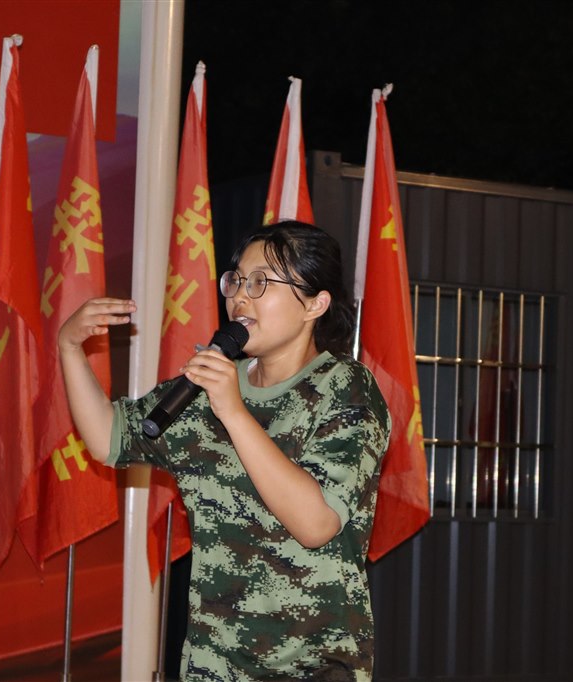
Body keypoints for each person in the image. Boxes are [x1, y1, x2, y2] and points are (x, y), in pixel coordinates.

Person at [58, 221, 391, 680]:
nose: (240, 297)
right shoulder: (210, 385)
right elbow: (110, 438)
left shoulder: (346, 389)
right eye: (236, 280)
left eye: (261, 282)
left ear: (315, 304)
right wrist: (69, 347)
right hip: (214, 665)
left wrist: (234, 413)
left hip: (313, 666)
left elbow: (316, 524)